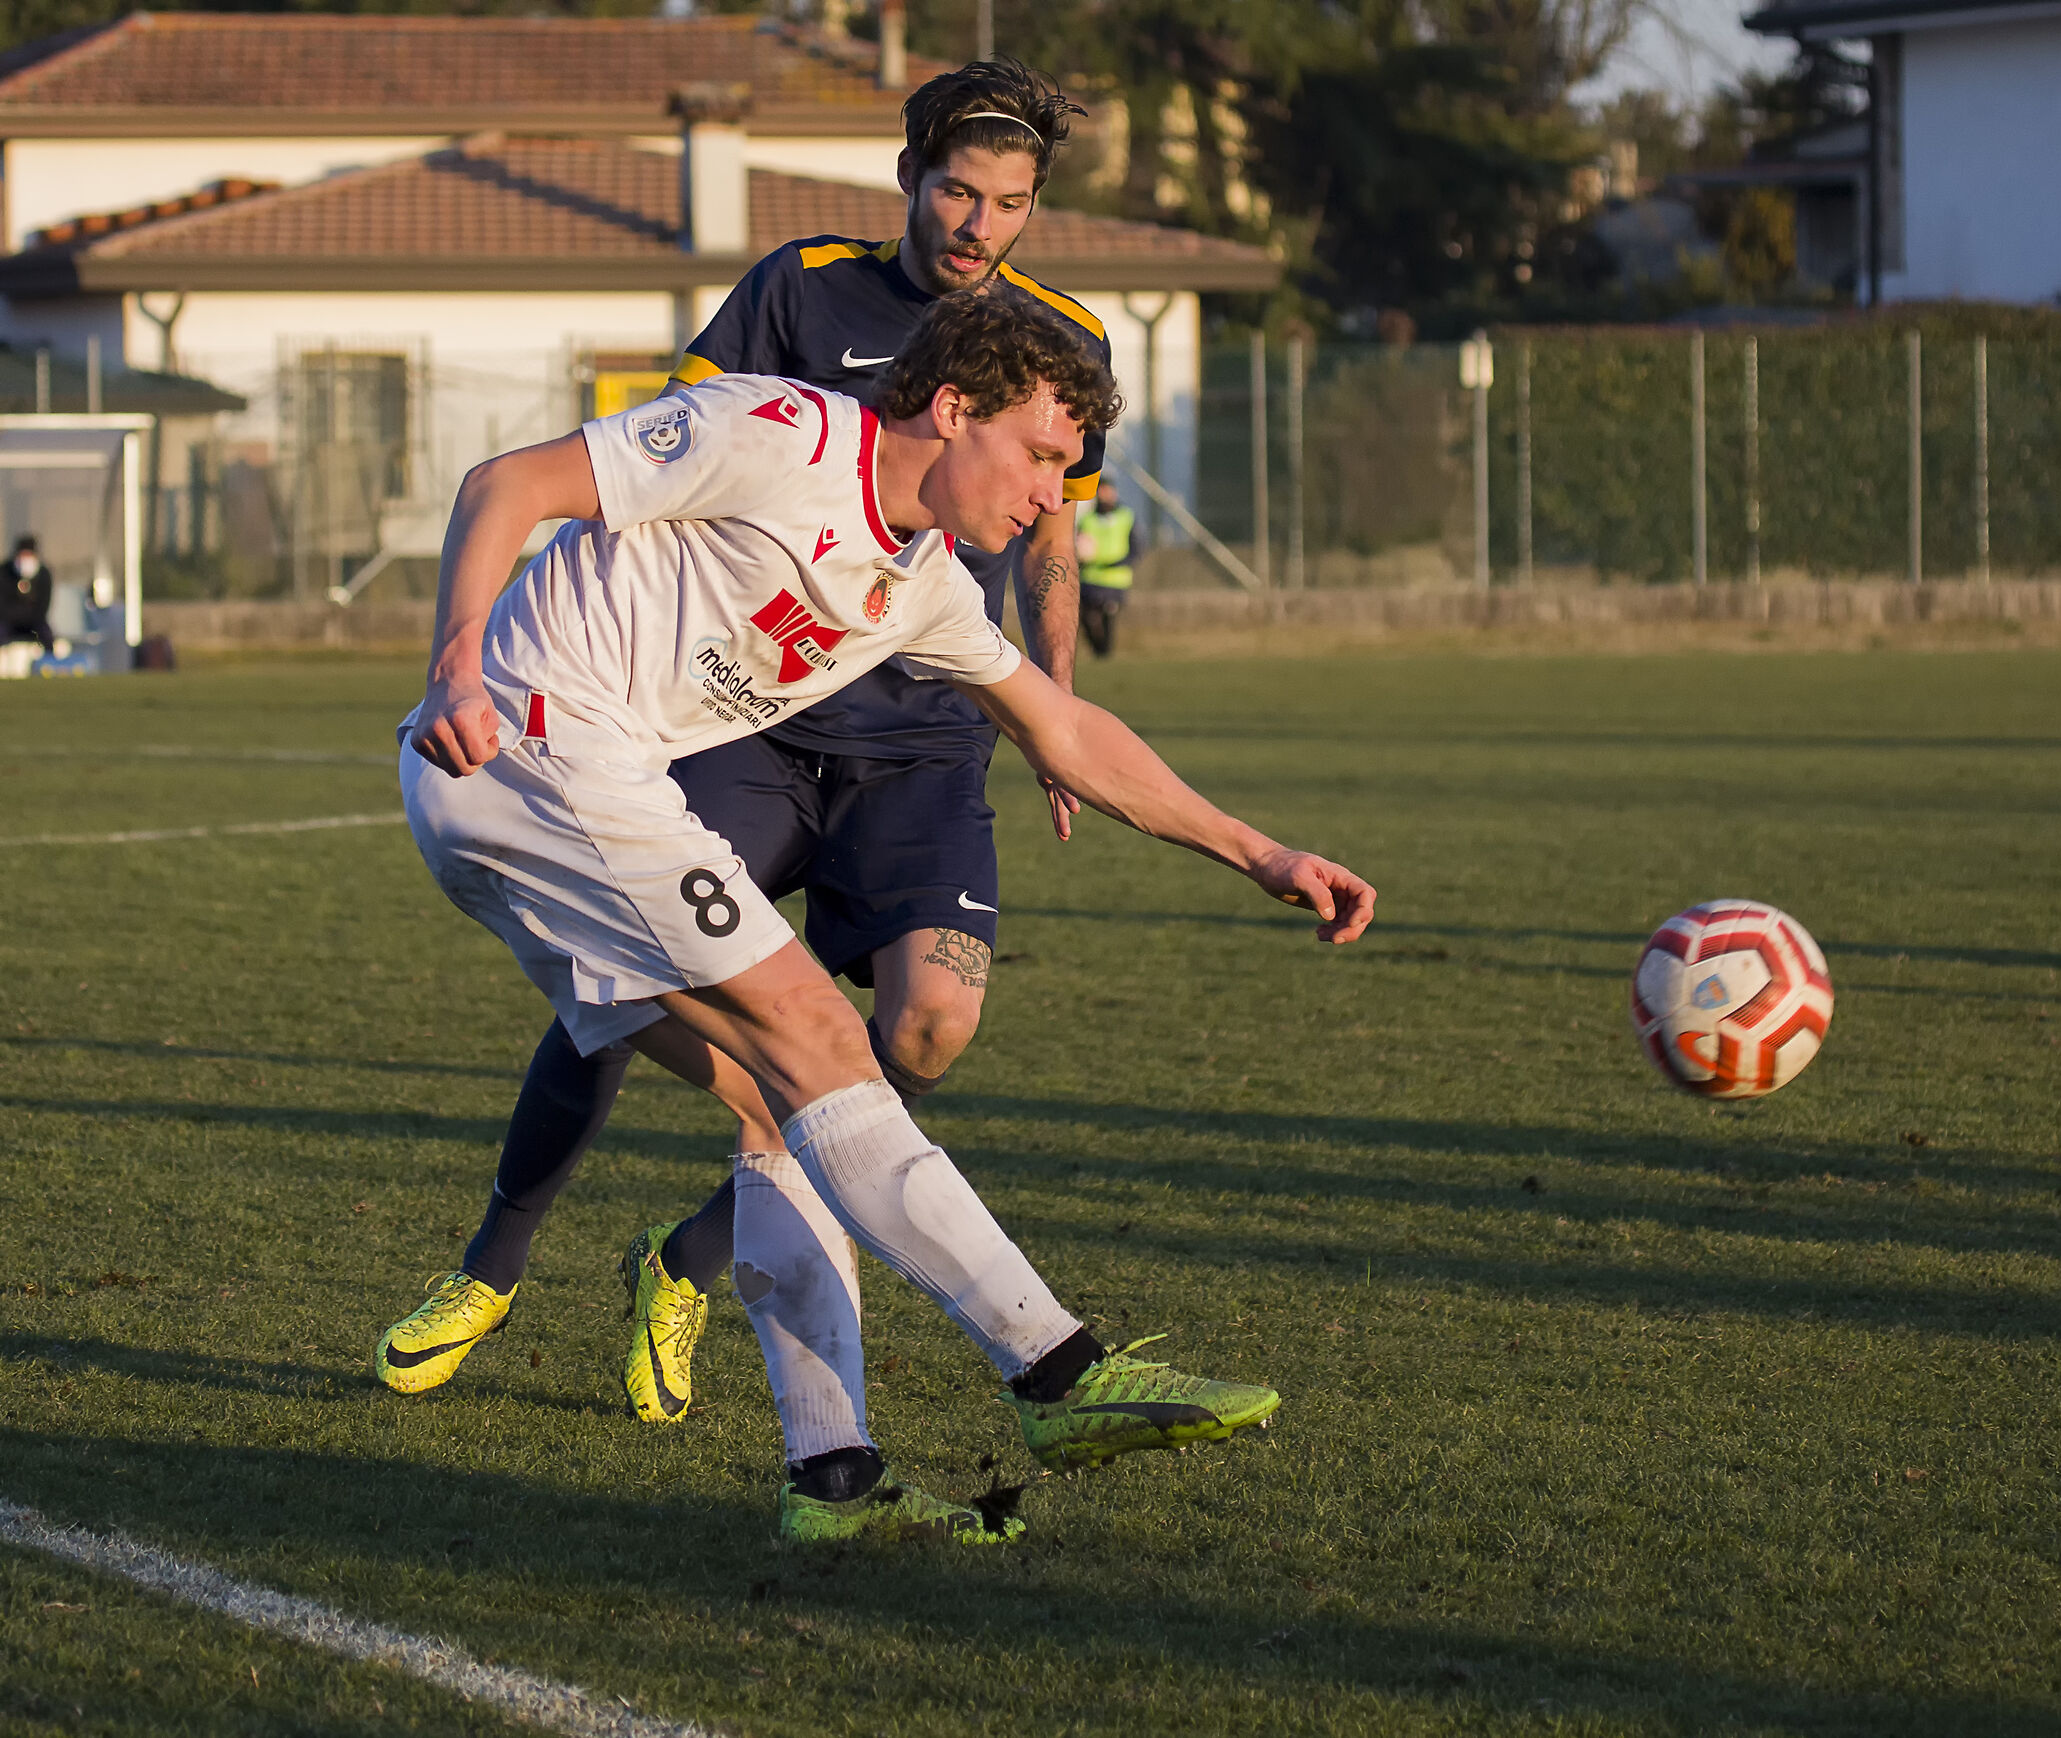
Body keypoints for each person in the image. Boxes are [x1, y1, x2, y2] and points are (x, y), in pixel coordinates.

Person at [396, 294, 1376, 1547]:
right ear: (953, 406)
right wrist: (459, 664)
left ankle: (833, 1473)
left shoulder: (919, 586)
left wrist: (1261, 850)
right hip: (533, 744)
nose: (1046, 497)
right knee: (823, 1034)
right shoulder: (779, 431)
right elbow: (505, 482)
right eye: (1036, 456)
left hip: (539, 795)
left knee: (781, 1104)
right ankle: (1059, 1374)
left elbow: (1064, 730)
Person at [375, 59, 1118, 1432]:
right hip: (756, 717)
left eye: (1010, 203)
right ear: (909, 177)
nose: (978, 225)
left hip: (926, 737)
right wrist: (564, 663)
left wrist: (1054, 715)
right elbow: (668, 463)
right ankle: (492, 1263)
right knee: (637, 961)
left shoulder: (1059, 340)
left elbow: (1053, 538)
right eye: (958, 190)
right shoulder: (801, 289)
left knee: (924, 1029)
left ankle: (692, 1264)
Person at [1075, 475, 1139, 656]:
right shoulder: (1087, 519)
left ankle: (1104, 654)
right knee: (1087, 617)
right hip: (1091, 577)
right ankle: (1099, 650)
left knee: (1107, 617)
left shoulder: (1126, 516)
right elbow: (1079, 544)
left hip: (1115, 579)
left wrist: (1120, 563)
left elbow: (1136, 548)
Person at [3, 537, 53, 648]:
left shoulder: (44, 574)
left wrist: (28, 617)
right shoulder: (4, 571)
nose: (25, 560)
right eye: (22, 555)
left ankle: (49, 663)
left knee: (47, 636)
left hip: (34, 624)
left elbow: (43, 607)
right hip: (8, 623)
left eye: (28, 555)